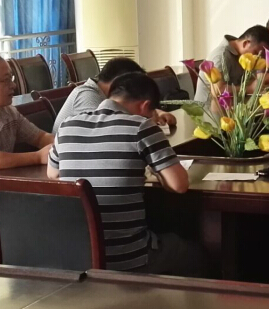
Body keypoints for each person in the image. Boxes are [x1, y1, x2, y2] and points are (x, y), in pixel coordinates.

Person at [48, 72, 206, 276]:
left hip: (78, 257)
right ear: (145, 106)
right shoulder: (142, 126)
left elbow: (53, 173)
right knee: (195, 253)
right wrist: (156, 171)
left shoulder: (67, 125)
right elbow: (179, 185)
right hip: (129, 257)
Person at [52, 57, 176, 133]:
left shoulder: (106, 96)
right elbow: (107, 131)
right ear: (120, 81)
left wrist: (156, 112)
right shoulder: (87, 95)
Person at [193, 25, 269, 105]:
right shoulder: (221, 55)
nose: (257, 58)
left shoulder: (243, 56)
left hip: (234, 107)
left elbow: (251, 82)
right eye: (256, 52)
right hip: (208, 110)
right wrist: (249, 89)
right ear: (245, 43)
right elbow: (217, 91)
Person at [0, 57, 53, 169]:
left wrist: (64, 145)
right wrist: (37, 157)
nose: (13, 85)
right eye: (6, 80)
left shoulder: (10, 112)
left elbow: (39, 137)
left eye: (11, 78)